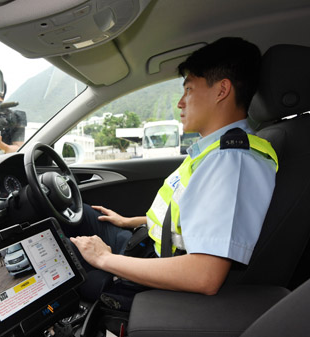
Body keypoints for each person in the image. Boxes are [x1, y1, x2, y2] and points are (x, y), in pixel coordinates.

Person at [68, 37, 278, 299]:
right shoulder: (215, 151)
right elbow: (189, 219)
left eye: (188, 89)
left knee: (61, 265)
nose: (180, 102)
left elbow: (204, 275)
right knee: (81, 215)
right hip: (148, 244)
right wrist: (129, 221)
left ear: (222, 90)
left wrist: (104, 259)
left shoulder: (232, 160)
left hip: (160, 269)